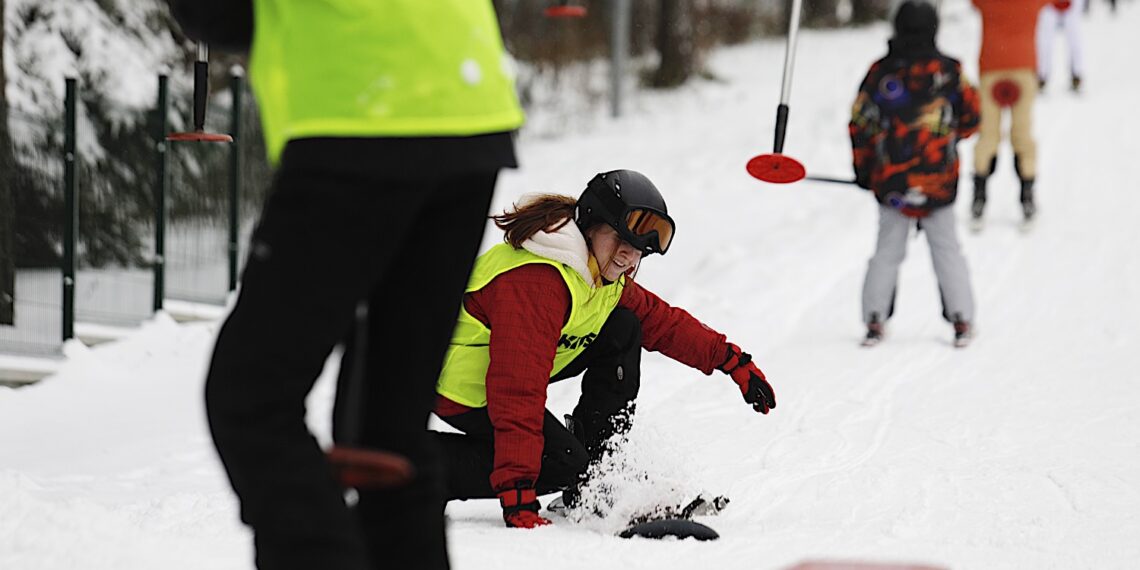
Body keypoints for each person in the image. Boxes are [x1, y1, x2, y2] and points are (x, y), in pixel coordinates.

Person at [169, 1, 523, 569]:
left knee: (251, 400)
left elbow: (218, 14)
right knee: (387, 431)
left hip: (360, 111)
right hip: (467, 108)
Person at [427, 170, 777, 528]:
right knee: (560, 465)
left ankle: (599, 473)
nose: (629, 257)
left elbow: (665, 323)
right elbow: (517, 389)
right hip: (460, 383)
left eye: (639, 249)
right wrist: (518, 491)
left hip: (501, 372)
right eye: (620, 241)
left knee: (624, 327)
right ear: (590, 226)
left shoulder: (600, 274)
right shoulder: (539, 282)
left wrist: (733, 362)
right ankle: (415, 465)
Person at [849, 1, 982, 347]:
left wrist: (864, 169)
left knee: (887, 250)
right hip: (939, 181)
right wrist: (947, 138)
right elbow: (972, 118)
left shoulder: (881, 73)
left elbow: (860, 123)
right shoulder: (950, 71)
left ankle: (875, 319)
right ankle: (961, 319)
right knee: (947, 248)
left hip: (892, 181)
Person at [970, 0, 1051, 228]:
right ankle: (1027, 197)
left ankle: (979, 197)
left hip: (991, 65)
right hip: (1023, 65)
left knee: (988, 135)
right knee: (1022, 134)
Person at [1037, 0, 1086, 92]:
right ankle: (1041, 76)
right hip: (1048, 5)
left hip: (1072, 5)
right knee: (1045, 41)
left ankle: (1076, 75)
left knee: (1074, 39)